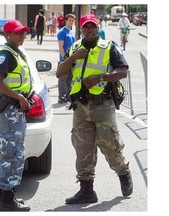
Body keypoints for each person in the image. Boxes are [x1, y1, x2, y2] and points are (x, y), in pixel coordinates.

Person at [56, 14, 133, 204]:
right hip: (81, 106)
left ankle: (123, 173)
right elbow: (59, 72)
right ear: (81, 30)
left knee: (109, 143)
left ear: (98, 28)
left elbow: (122, 71)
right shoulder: (75, 47)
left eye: (92, 27)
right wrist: (73, 57)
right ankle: (86, 190)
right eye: (86, 27)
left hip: (103, 104)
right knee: (82, 147)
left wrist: (101, 78)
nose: (89, 30)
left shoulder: (109, 47)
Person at [0, 19, 33, 211]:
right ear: (7, 34)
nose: (22, 35)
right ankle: (7, 199)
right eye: (17, 32)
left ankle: (4, 197)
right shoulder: (7, 55)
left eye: (23, 31)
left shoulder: (15, 52)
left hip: (13, 110)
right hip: (10, 110)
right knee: (12, 154)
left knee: (12, 152)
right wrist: (19, 98)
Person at [56, 13, 76, 103]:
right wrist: (65, 59)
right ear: (66, 21)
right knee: (63, 79)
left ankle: (68, 95)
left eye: (72, 20)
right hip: (65, 59)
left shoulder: (71, 32)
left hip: (72, 59)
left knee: (69, 79)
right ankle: (62, 96)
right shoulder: (62, 32)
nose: (71, 22)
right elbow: (61, 47)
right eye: (69, 20)